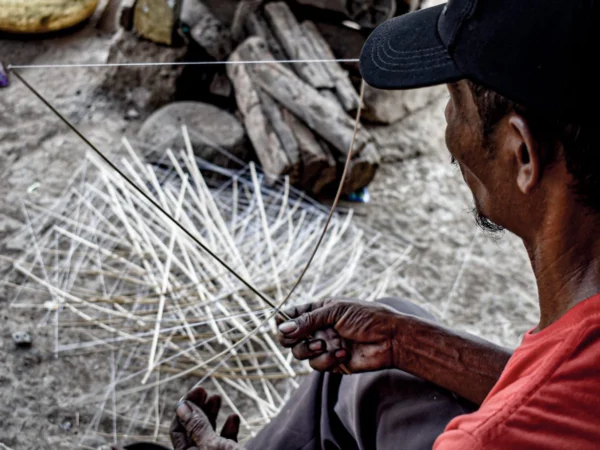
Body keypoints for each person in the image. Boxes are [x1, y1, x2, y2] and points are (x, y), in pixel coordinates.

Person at [169, 0, 600, 448]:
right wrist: (405, 342)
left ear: (522, 155)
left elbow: (535, 404)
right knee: (382, 362)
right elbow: (571, 395)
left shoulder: (489, 438)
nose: (447, 121)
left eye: (456, 99)